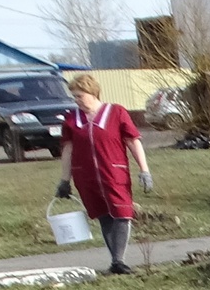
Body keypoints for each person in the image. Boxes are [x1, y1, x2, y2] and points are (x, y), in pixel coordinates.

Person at [54, 74, 153, 275]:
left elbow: (133, 141)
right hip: (86, 176)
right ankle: (115, 261)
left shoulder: (116, 113)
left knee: (122, 214)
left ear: (92, 93)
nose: (77, 100)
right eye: (74, 96)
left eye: (80, 95)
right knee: (103, 215)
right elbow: (68, 150)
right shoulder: (73, 120)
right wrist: (65, 180)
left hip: (114, 173)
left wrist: (144, 170)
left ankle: (119, 260)